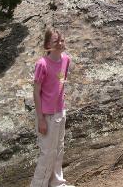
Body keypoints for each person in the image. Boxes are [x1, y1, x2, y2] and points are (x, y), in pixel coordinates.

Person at [31, 28, 74, 187]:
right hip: (47, 115)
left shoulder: (66, 60)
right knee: (47, 154)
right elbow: (36, 92)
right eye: (56, 41)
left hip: (60, 111)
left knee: (58, 149)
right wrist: (40, 119)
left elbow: (60, 83)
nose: (60, 44)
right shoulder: (42, 64)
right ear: (48, 44)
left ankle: (57, 183)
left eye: (62, 40)